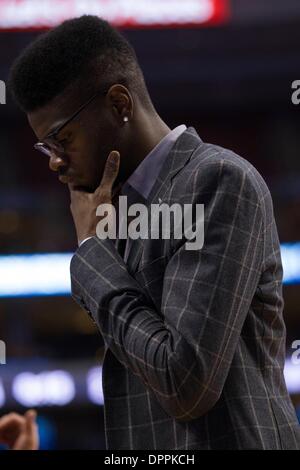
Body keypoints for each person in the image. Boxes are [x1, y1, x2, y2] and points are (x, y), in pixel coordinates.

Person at [8, 15, 300, 450]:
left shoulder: (217, 180)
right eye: (45, 147)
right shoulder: (117, 209)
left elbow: (184, 383)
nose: (54, 162)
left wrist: (90, 252)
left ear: (120, 104)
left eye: (61, 138)